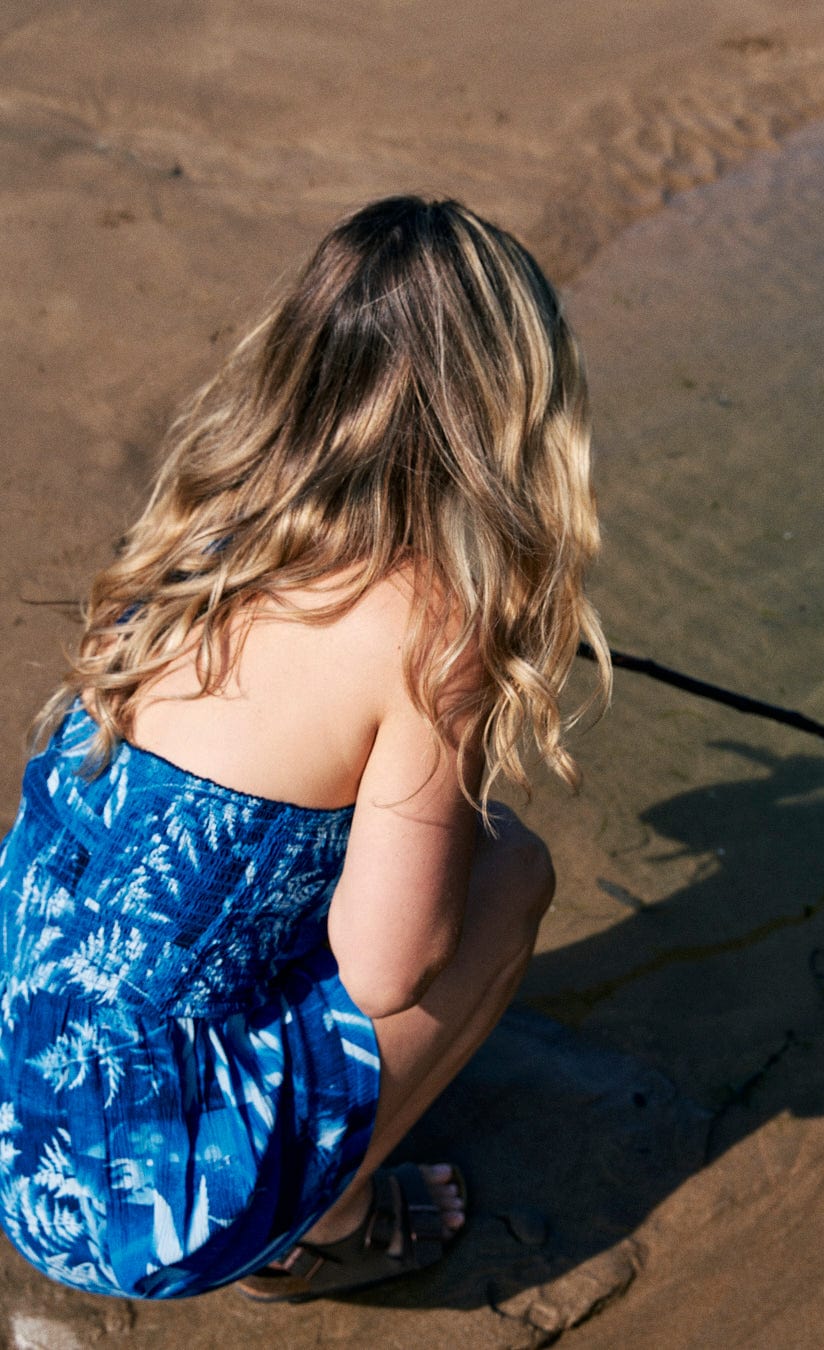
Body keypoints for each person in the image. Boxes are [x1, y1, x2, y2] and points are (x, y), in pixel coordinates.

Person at [0, 197, 610, 1301]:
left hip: (14, 1098)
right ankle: (324, 1223)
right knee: (511, 870)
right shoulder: (433, 628)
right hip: (134, 1206)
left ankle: (277, 1158)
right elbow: (392, 967)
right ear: (509, 416)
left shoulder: (200, 531)